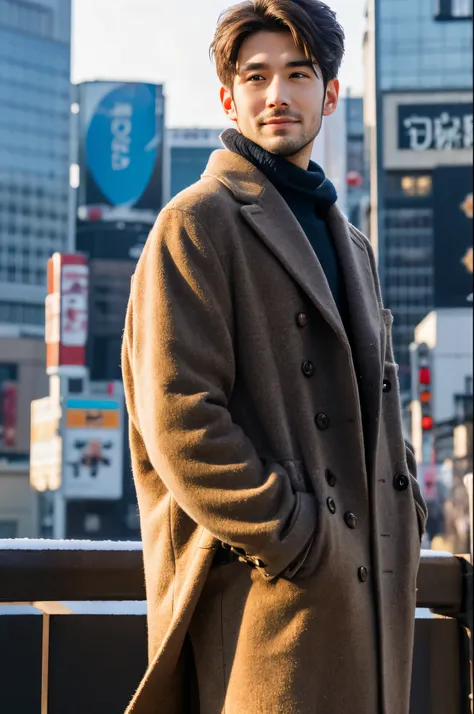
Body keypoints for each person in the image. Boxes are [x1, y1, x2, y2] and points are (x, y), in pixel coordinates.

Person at [121, 1, 428, 712]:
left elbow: (379, 407)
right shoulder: (195, 223)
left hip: (373, 601)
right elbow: (179, 417)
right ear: (229, 97)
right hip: (272, 608)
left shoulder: (352, 244)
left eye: (298, 74)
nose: (277, 95)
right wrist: (296, 539)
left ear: (330, 94)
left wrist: (403, 518)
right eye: (256, 77)